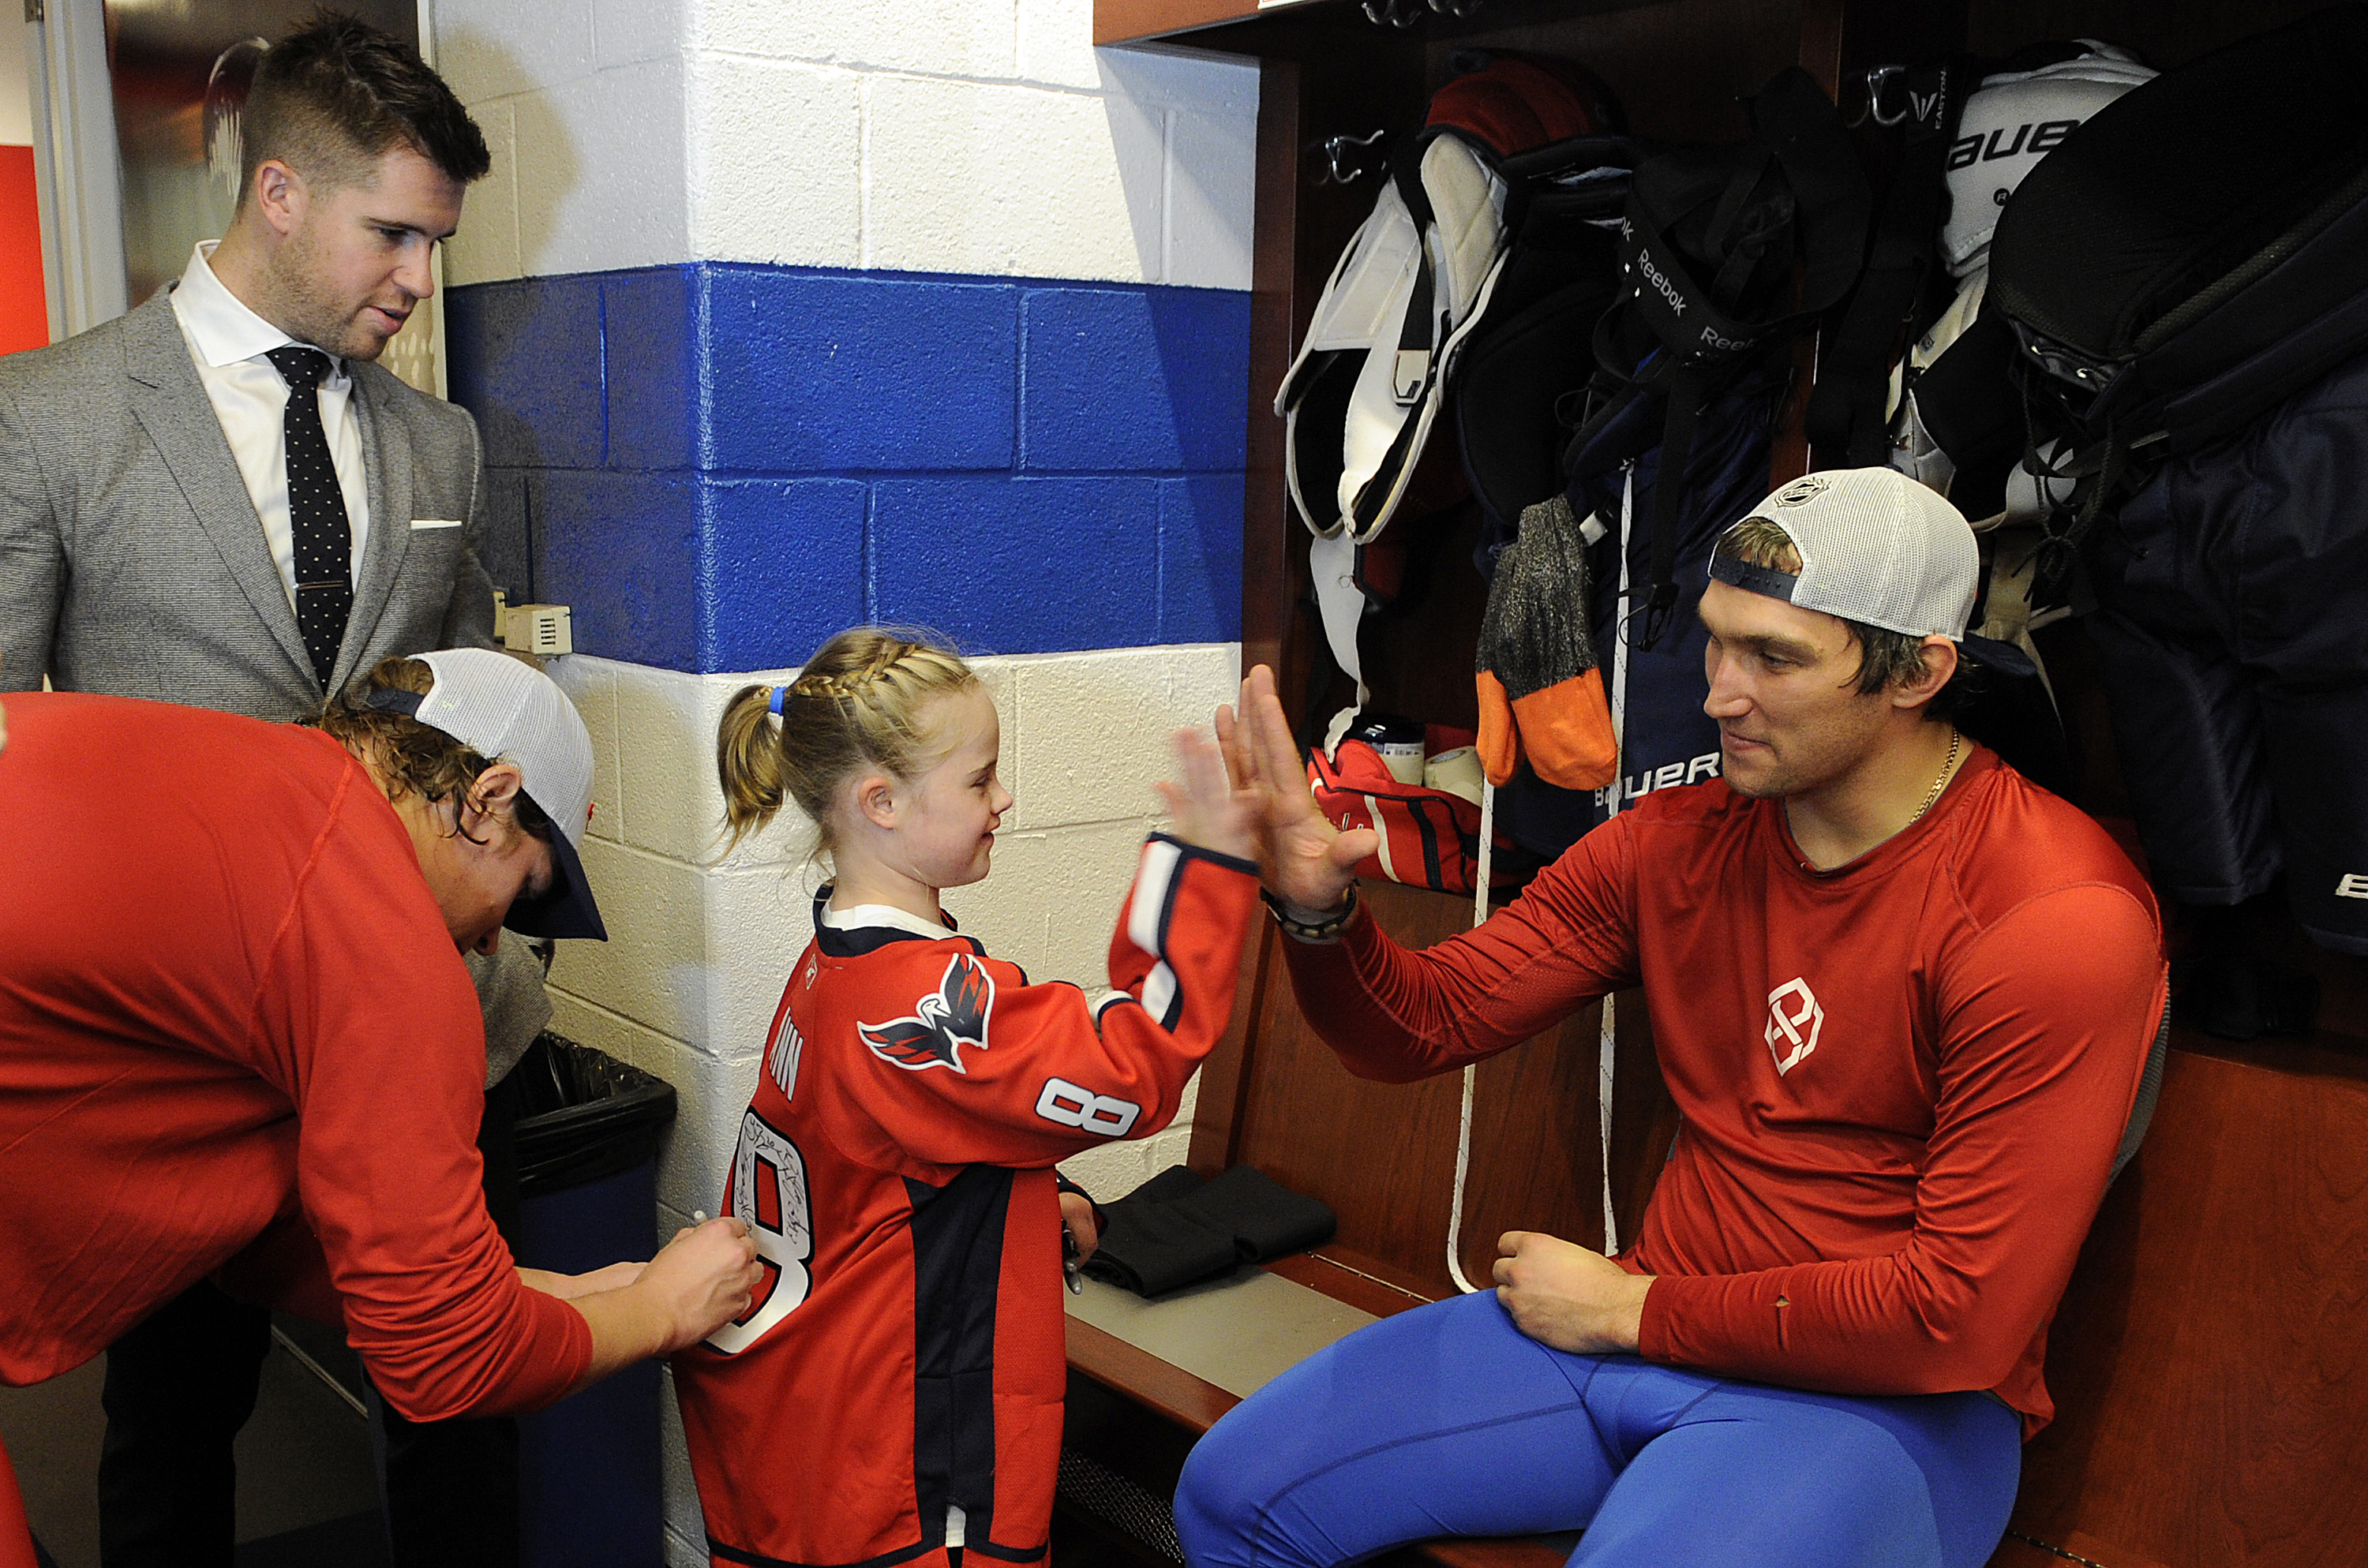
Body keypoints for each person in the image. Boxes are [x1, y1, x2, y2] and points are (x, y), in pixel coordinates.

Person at [1177, 469, 2168, 1568]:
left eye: (1777, 657)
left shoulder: (2054, 913)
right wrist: (1319, 912)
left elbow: (1959, 1312)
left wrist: (1632, 1310)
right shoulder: (1675, 840)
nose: (1719, 694)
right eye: (1716, 640)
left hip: (1885, 1405)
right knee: (1232, 1493)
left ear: (1918, 670)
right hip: (1632, 1332)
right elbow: (1422, 1024)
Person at [0, 14, 545, 1562]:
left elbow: (469, 705)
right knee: (173, 1430)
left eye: (436, 243)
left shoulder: (439, 444)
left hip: (420, 1014)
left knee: (457, 1402)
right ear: (283, 191)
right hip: (184, 1058)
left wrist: (502, 918)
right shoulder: (45, 415)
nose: (419, 281)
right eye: (396, 234)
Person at [0, 649, 766, 1568]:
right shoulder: (376, 930)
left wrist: (540, 1293)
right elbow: (445, 1359)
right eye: (520, 895)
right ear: (486, 798)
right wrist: (661, 1312)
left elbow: (282, 1235)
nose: (491, 940)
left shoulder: (259, 781)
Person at [669, 627, 1259, 1568]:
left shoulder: (837, 961)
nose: (1004, 798)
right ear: (881, 802)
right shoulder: (911, 1007)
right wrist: (1205, 869)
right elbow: (1136, 1068)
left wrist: (1018, 1206)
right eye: (981, 779)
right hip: (903, 1477)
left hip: (822, 1429)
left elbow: (893, 1173)